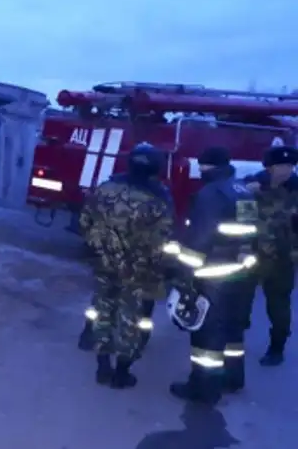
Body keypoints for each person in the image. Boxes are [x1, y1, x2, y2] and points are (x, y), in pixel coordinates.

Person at [164, 146, 259, 405]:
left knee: (207, 335)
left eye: (201, 166)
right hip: (240, 273)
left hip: (212, 274)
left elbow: (200, 239)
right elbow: (251, 233)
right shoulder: (242, 190)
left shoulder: (210, 194)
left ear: (208, 166)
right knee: (232, 329)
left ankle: (204, 389)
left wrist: (184, 275)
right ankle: (233, 378)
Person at [79, 142, 174, 388]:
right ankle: (122, 373)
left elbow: (85, 221)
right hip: (138, 270)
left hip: (103, 263)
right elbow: (161, 241)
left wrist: (98, 248)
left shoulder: (105, 188)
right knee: (130, 319)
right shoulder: (159, 198)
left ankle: (102, 366)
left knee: (103, 311)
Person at [242, 139, 298, 366]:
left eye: (290, 166)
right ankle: (234, 341)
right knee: (240, 302)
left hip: (283, 259)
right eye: (281, 166)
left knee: (279, 307)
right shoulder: (251, 188)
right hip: (251, 256)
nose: (286, 170)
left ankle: (277, 348)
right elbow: (242, 220)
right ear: (269, 168)